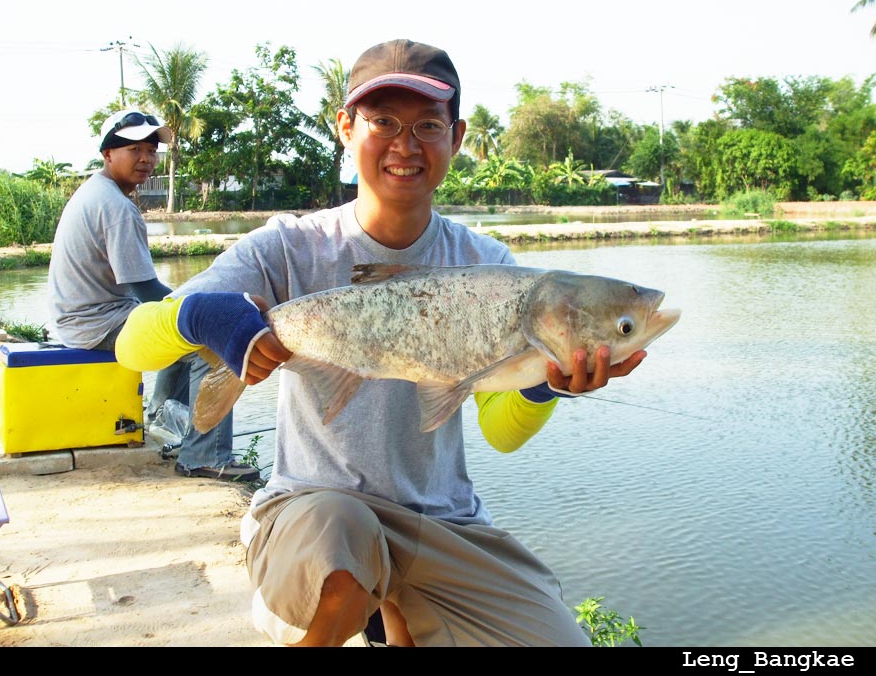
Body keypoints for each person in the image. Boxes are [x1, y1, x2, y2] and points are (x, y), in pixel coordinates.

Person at [116, 39, 645, 646]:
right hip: (318, 509)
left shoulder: (487, 265)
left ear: (458, 135)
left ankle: (407, 618)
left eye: (427, 125)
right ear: (345, 127)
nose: (405, 144)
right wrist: (203, 318)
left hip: (445, 522)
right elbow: (133, 346)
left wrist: (545, 385)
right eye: (383, 122)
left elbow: (500, 433)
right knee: (342, 551)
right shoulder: (287, 247)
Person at [47, 108, 259, 482]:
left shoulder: (96, 191)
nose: (145, 159)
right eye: (134, 149)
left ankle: (166, 420)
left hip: (81, 318)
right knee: (213, 343)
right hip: (95, 324)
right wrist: (203, 311)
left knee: (180, 326)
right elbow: (146, 291)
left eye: (151, 150)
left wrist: (188, 307)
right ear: (108, 153)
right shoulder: (116, 207)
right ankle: (203, 455)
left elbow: (147, 298)